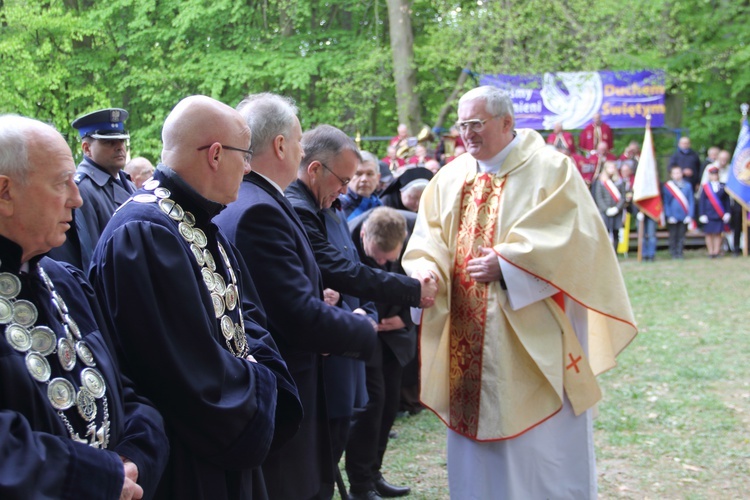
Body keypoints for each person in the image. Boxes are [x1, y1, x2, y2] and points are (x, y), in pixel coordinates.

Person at [402, 86, 637, 499]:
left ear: (507, 122)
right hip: (466, 338)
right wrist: (426, 272)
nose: (468, 135)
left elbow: (577, 240)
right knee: (476, 458)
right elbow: (429, 240)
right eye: (463, 125)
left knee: (537, 448)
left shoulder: (551, 170)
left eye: (477, 124)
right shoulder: (450, 176)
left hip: (530, 332)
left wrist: (510, 265)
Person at [88, 95, 302, 499]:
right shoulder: (145, 233)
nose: (250, 166)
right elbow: (185, 371)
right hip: (189, 459)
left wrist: (264, 376)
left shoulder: (198, 221)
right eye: (245, 154)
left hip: (219, 446)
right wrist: (262, 383)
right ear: (216, 154)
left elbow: (245, 318)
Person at [212, 94, 378, 500]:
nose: (304, 151)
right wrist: (363, 330)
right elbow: (294, 315)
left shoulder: (255, 201)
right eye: (300, 141)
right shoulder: (259, 210)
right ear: (281, 145)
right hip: (287, 392)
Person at [0, 114, 168, 499]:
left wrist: (135, 460)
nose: (76, 198)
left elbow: (128, 389)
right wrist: (95, 477)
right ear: (5, 193)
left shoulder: (64, 282)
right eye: (62, 184)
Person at [346, 207, 417, 500]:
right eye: (375, 256)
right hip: (365, 333)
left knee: (388, 405)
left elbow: (422, 280)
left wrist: (406, 317)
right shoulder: (348, 234)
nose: (381, 263)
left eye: (388, 258)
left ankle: (375, 474)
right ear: (363, 236)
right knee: (371, 406)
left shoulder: (415, 237)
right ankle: (361, 484)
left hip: (396, 333)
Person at [48, 108, 135, 270]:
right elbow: (90, 256)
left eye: (122, 140)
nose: (119, 147)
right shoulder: (81, 190)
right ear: (87, 148)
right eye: (109, 142)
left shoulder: (127, 183)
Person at [340, 151, 383, 220]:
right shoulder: (337, 208)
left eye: (369, 174)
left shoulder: (380, 206)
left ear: (378, 178)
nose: (364, 179)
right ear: (347, 177)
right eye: (358, 174)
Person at [698, 166, 731, 258]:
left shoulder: (723, 186)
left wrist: (727, 212)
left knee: (718, 233)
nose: (714, 176)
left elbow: (726, 201)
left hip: (720, 214)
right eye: (712, 174)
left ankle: (716, 252)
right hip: (709, 214)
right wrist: (702, 214)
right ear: (709, 176)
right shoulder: (705, 187)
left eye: (716, 174)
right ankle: (710, 252)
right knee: (709, 233)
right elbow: (702, 201)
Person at [663, 164, 695, 259]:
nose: (677, 175)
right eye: (675, 173)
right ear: (671, 175)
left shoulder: (687, 186)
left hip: (684, 215)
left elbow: (691, 201)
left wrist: (690, 215)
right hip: (673, 215)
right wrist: (669, 215)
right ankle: (673, 253)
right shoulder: (668, 186)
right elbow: (666, 202)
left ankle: (680, 252)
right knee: (673, 235)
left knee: (682, 235)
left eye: (678, 172)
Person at [594, 162, 627, 252]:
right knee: (605, 232)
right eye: (610, 167)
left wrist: (617, 208)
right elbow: (599, 197)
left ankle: (615, 252)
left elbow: (623, 197)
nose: (611, 169)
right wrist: (606, 209)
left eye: (613, 167)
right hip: (605, 211)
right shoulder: (601, 181)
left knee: (616, 232)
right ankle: (605, 253)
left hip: (617, 211)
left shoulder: (620, 181)